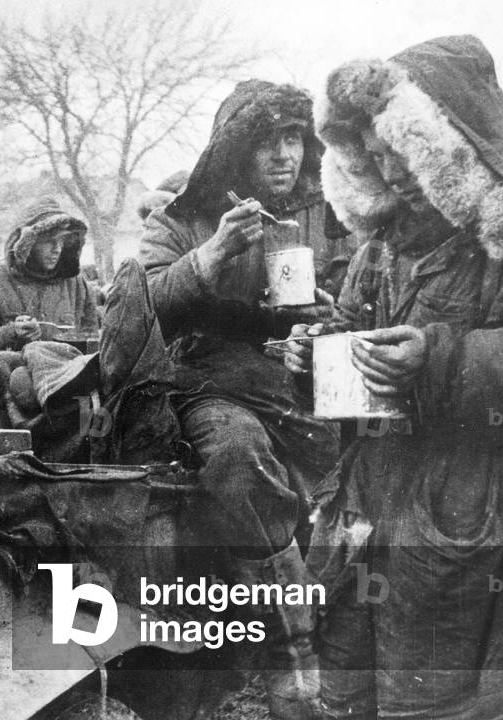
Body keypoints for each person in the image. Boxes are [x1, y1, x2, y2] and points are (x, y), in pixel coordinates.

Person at [284, 35, 503, 719]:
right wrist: (317, 360)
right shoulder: (380, 248)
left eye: (400, 145)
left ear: (447, 140)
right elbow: (354, 352)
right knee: (346, 695)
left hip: (463, 515)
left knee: (433, 703)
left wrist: (439, 356)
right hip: (363, 510)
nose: (387, 169)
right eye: (372, 148)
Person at [138, 80, 355, 718]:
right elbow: (137, 307)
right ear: (235, 149)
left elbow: (366, 290)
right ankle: (294, 647)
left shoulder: (330, 209)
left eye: (294, 138)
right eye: (268, 141)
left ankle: (347, 629)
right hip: (210, 379)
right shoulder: (182, 217)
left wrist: (331, 316)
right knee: (237, 456)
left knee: (360, 464)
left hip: (306, 372)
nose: (285, 154)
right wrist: (208, 259)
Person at [0, 197, 100, 357]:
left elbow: (91, 340)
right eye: (49, 241)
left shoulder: (77, 284)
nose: (57, 249)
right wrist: (11, 333)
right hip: (7, 377)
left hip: (63, 377)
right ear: (27, 242)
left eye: (61, 241)